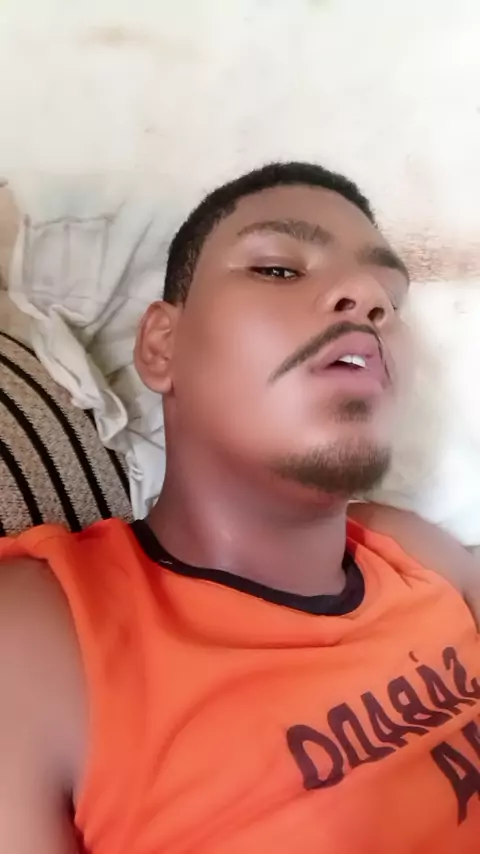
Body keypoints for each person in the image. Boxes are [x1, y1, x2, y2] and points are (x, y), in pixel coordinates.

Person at [1, 162, 480, 854]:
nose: (369, 299)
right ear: (162, 345)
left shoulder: (412, 551)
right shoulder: (40, 638)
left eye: (391, 299)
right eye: (278, 269)